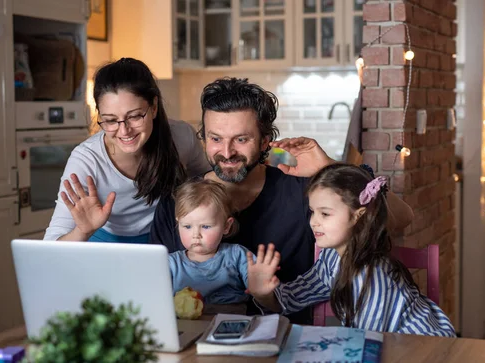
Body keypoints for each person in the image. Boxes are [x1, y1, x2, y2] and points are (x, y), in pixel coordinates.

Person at [149, 77, 414, 324]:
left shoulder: (304, 192)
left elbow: (402, 218)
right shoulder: (177, 202)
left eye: (241, 139)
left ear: (266, 141)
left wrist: (330, 168)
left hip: (288, 341)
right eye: (215, 139)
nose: (226, 152)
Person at [246, 164, 455, 337]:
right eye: (312, 212)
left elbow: (368, 341)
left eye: (325, 214)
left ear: (358, 216)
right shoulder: (330, 257)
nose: (313, 222)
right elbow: (295, 297)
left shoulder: (371, 277)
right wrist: (263, 293)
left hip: (424, 349)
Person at [43, 58, 209, 243]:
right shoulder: (86, 160)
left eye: (135, 116)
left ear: (153, 107)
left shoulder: (181, 137)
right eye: (111, 120)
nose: (124, 131)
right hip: (104, 243)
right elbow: (51, 245)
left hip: (166, 236)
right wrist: (83, 231)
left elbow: (208, 182)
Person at [168, 178, 252, 313]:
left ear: (226, 226)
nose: (196, 234)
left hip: (230, 324)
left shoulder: (237, 255)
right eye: (187, 226)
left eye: (206, 226)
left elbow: (258, 284)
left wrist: (259, 281)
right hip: (187, 327)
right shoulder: (170, 264)